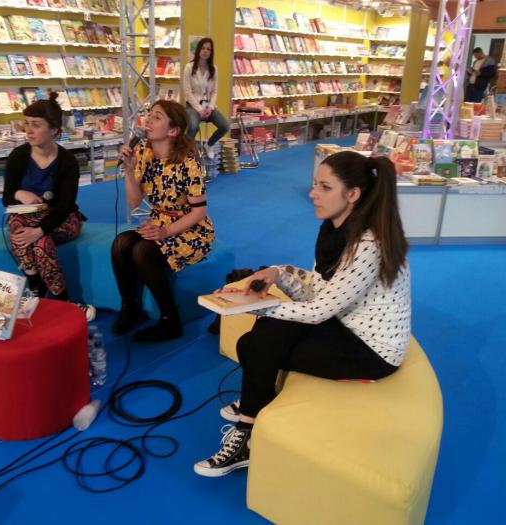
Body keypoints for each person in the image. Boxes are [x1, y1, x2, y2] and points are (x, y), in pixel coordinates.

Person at [194, 151, 411, 477]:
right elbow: (319, 293)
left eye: (325, 187)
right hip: (343, 324)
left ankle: (247, 435)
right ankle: (257, 403)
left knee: (259, 342)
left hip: (372, 350)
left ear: (353, 194)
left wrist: (248, 305)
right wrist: (277, 274)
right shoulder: (335, 229)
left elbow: (319, 309)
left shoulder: (368, 245)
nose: (313, 194)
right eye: (315, 184)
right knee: (253, 342)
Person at [114, 99, 215, 342]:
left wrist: (166, 231)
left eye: (157, 117)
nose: (148, 119)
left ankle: (171, 320)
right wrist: (129, 171)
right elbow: (134, 202)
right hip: (159, 220)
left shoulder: (188, 161)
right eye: (149, 114)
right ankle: (130, 307)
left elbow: (199, 212)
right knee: (121, 243)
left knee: (142, 251)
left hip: (192, 229)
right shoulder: (143, 151)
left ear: (173, 130)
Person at [2, 92, 96, 321]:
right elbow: (7, 198)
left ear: (54, 130)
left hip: (62, 219)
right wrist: (20, 193)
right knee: (18, 229)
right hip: (27, 218)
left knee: (41, 241)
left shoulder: (67, 161)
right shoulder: (18, 155)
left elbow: (65, 207)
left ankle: (52, 296)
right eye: (27, 124)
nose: (29, 130)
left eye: (36, 125)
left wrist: (39, 231)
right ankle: (43, 289)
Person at [182, 37, 230, 160]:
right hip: (192, 106)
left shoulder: (214, 69)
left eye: (208, 49)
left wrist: (210, 107)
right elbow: (187, 92)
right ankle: (186, 151)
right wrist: (199, 109)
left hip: (208, 106)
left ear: (211, 52)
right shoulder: (189, 67)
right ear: (198, 50)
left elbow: (214, 91)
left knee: (225, 126)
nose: (205, 51)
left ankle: (209, 145)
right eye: (203, 48)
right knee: (193, 126)